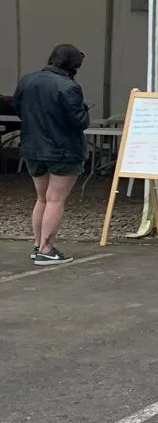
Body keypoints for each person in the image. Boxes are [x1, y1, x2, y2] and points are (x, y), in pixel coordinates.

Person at [13, 44, 90, 265]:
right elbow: (79, 122)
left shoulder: (26, 80)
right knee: (55, 199)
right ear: (73, 66)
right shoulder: (69, 87)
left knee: (42, 198)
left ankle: (38, 245)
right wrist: (84, 109)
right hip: (63, 150)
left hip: (32, 147)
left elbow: (18, 108)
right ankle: (47, 249)